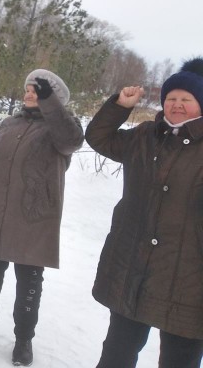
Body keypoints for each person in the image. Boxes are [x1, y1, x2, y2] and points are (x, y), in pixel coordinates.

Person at [0, 69, 84, 366]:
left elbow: (71, 142)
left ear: (55, 97)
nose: (30, 93)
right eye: (28, 88)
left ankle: (24, 339)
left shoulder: (63, 129)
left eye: (38, 90)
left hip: (33, 217)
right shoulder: (9, 123)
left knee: (29, 281)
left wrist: (50, 104)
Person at [85, 59, 203, 368]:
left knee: (180, 361)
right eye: (171, 98)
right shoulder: (145, 135)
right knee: (116, 355)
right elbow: (100, 138)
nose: (176, 104)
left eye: (186, 99)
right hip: (133, 268)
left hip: (189, 279)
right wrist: (119, 106)